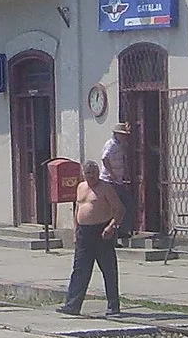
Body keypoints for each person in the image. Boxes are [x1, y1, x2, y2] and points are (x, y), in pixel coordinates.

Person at [58, 159, 125, 317]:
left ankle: (113, 306)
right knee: (79, 270)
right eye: (88, 173)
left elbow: (120, 209)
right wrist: (76, 230)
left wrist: (112, 226)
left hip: (102, 232)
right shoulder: (81, 187)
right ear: (84, 174)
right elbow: (77, 209)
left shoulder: (105, 188)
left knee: (109, 270)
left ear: (98, 173)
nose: (92, 176)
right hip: (84, 234)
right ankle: (72, 305)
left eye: (94, 173)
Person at [99, 122, 135, 241]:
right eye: (122, 134)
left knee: (124, 205)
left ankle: (121, 231)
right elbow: (104, 158)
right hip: (110, 181)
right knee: (119, 206)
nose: (124, 137)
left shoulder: (120, 144)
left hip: (118, 180)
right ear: (116, 134)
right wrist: (112, 174)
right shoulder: (111, 145)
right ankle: (116, 233)